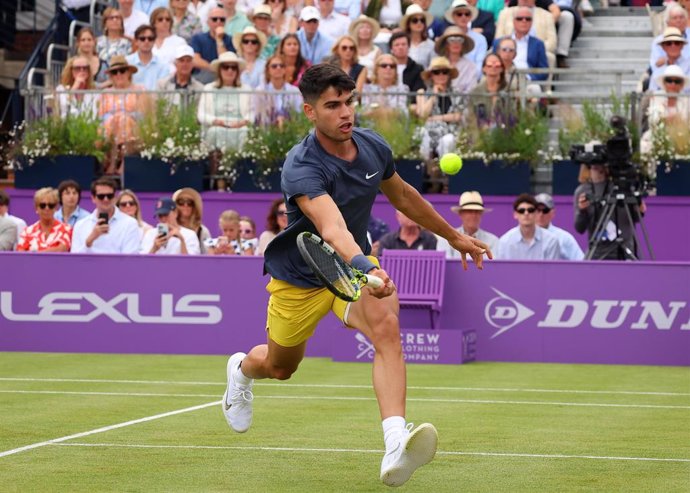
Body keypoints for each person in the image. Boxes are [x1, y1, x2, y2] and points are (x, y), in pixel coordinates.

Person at [220, 63, 490, 488]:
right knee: (279, 367)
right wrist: (368, 269)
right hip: (302, 274)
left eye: (348, 102)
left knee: (387, 330)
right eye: (332, 105)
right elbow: (331, 228)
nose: (345, 112)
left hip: (353, 267)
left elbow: (402, 195)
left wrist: (454, 236)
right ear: (310, 111)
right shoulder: (301, 166)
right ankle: (240, 370)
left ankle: (395, 442)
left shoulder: (371, 146)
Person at [573, 161, 643, 260]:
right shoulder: (582, 191)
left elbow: (636, 218)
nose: (599, 168)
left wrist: (639, 205)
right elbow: (580, 228)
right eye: (594, 166)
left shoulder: (623, 188)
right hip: (597, 253)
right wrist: (582, 211)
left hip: (625, 252)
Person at [99, 55, 149, 173]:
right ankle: (114, 160)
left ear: (128, 73)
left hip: (135, 127)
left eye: (122, 71)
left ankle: (121, 162)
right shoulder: (105, 93)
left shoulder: (140, 90)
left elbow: (143, 114)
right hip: (110, 128)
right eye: (115, 72)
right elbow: (101, 116)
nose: (119, 74)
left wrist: (125, 117)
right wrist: (115, 118)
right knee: (114, 121)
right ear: (111, 76)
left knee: (124, 121)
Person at [198, 51, 254, 152]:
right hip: (216, 125)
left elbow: (252, 113)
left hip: (239, 126)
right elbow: (201, 114)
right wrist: (215, 121)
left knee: (245, 132)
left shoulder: (246, 89)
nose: (230, 70)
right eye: (225, 67)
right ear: (219, 70)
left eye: (233, 68)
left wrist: (243, 122)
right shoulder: (209, 88)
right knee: (214, 131)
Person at [71, 177, 141, 254]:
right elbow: (75, 260)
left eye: (109, 196)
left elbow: (130, 258)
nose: (106, 199)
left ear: (114, 197)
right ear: (93, 198)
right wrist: (89, 241)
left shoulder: (129, 223)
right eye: (101, 196)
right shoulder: (80, 225)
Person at [415, 56, 464, 162]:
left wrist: (434, 118)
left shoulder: (457, 93)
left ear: (449, 75)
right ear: (431, 75)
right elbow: (423, 115)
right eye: (437, 72)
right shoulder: (422, 92)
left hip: (450, 131)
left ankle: (445, 174)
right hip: (429, 130)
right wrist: (434, 95)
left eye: (445, 71)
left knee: (448, 141)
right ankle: (426, 172)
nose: (441, 75)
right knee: (424, 136)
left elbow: (457, 116)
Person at [640, 64, 690, 156]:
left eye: (677, 81)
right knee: (644, 146)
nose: (672, 84)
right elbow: (652, 121)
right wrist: (665, 118)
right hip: (656, 136)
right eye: (669, 80)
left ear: (682, 84)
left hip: (681, 139)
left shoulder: (687, 100)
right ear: (664, 82)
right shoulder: (655, 97)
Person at [495, 193, 560, 260]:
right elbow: (501, 269)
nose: (526, 213)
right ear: (515, 214)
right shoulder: (504, 242)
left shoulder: (551, 241)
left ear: (536, 213)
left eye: (530, 210)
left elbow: (552, 269)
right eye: (521, 211)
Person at [493, 6, 550, 82]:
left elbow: (544, 71)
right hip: (502, 79)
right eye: (519, 19)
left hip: (527, 82)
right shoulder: (499, 42)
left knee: (534, 89)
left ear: (531, 23)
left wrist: (530, 79)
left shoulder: (538, 44)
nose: (524, 21)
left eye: (528, 19)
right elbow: (492, 62)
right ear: (514, 21)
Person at [436, 191, 498, 259]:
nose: (473, 215)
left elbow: (492, 265)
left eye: (477, 211)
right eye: (469, 211)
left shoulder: (493, 241)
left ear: (481, 214)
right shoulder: (446, 239)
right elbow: (445, 264)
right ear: (460, 213)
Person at [16, 188, 72, 253]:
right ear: (36, 208)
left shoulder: (66, 229)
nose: (47, 208)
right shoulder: (28, 231)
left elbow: (62, 249)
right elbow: (20, 253)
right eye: (42, 205)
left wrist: (35, 253)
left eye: (51, 205)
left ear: (56, 208)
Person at [443, 0, 488, 79]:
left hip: (472, 82)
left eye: (467, 14)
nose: (463, 17)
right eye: (459, 14)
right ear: (453, 17)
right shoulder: (445, 37)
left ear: (470, 17)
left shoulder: (480, 39)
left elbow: (479, 66)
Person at [190, 7, 236, 83]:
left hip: (224, 79)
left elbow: (225, 61)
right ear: (208, 22)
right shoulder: (198, 38)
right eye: (214, 19)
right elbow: (195, 60)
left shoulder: (230, 40)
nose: (218, 22)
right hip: (202, 77)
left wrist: (219, 39)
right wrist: (214, 68)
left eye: (222, 19)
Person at [255, 54, 304, 125]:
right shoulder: (260, 91)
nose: (278, 68)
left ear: (285, 69)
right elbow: (257, 115)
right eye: (274, 66)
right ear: (268, 70)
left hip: (290, 129)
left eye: (281, 66)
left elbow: (299, 113)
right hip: (267, 130)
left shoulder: (294, 91)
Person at [534, 192, 583, 261]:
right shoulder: (523, 236)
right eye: (537, 210)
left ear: (552, 213)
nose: (541, 214)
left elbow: (581, 262)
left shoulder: (565, 238)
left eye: (545, 210)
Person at [126, 24, 172, 90]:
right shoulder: (127, 62)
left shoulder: (163, 64)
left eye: (150, 39)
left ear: (154, 41)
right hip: (132, 99)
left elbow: (163, 89)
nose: (146, 41)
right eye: (142, 39)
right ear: (136, 41)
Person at [433, 26, 478, 93]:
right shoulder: (437, 63)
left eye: (459, 40)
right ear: (446, 44)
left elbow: (471, 91)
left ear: (463, 44)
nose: (456, 43)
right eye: (451, 40)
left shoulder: (471, 66)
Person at [648, 27, 690, 92]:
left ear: (682, 45)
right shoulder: (659, 67)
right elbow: (652, 92)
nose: (673, 46)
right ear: (663, 47)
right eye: (669, 43)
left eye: (677, 43)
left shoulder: (688, 64)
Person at [172, 187, 212, 252]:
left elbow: (207, 255)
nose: (185, 205)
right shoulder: (170, 228)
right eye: (181, 202)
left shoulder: (202, 231)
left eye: (190, 203)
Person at [388, 32, 426, 98]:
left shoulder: (417, 69)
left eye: (403, 44)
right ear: (391, 49)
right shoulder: (385, 67)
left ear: (409, 47)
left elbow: (418, 90)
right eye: (397, 45)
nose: (400, 47)